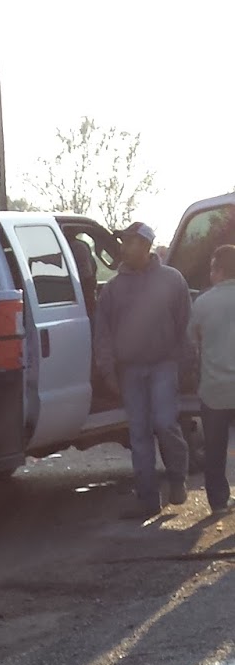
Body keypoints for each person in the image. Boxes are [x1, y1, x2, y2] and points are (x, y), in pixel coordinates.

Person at [93, 221, 191, 519]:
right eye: (123, 241)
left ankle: (177, 478)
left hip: (164, 365)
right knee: (139, 434)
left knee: (165, 423)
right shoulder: (112, 289)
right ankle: (148, 499)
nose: (123, 247)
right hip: (130, 371)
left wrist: (187, 365)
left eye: (130, 241)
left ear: (146, 246)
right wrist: (108, 372)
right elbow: (103, 334)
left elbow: (184, 325)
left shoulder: (172, 280)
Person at [189, 242, 235, 514]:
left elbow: (191, 340)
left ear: (218, 270)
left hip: (214, 389)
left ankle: (218, 501)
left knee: (215, 449)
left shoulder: (203, 303)